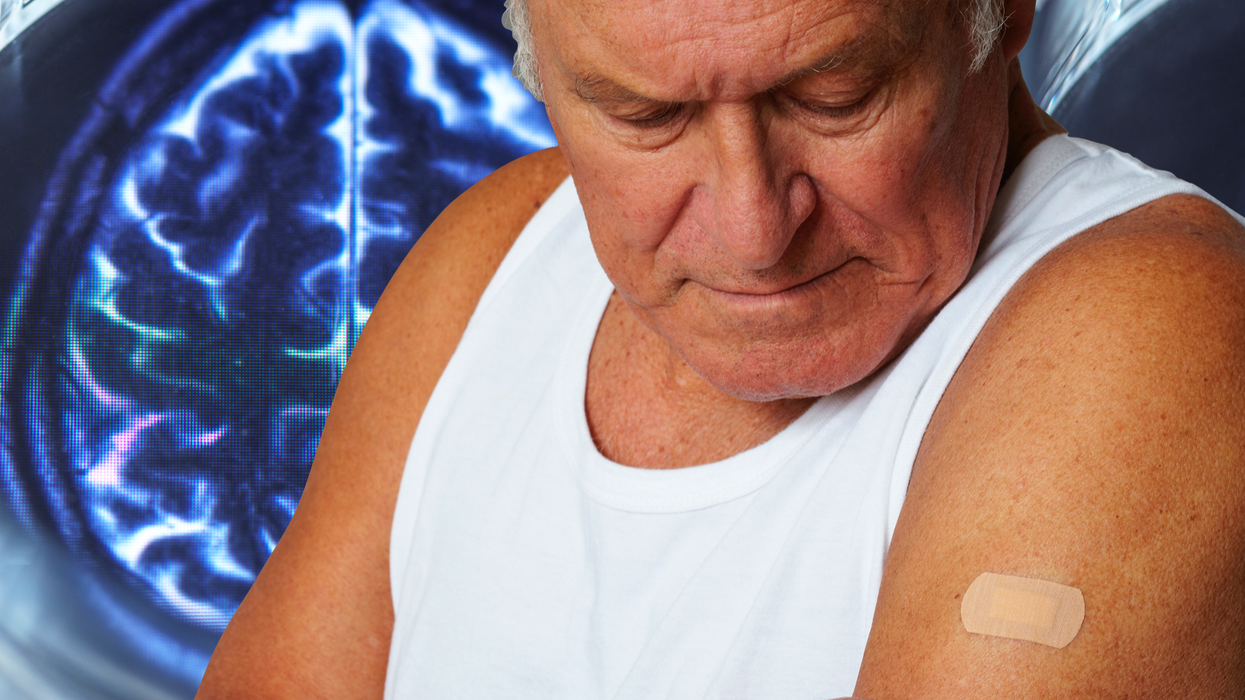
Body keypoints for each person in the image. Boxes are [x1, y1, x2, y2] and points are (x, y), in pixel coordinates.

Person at [197, 0, 1245, 697]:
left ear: (1000, 13)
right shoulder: (495, 256)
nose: (752, 226)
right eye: (645, 115)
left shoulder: (1155, 322)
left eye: (836, 98)